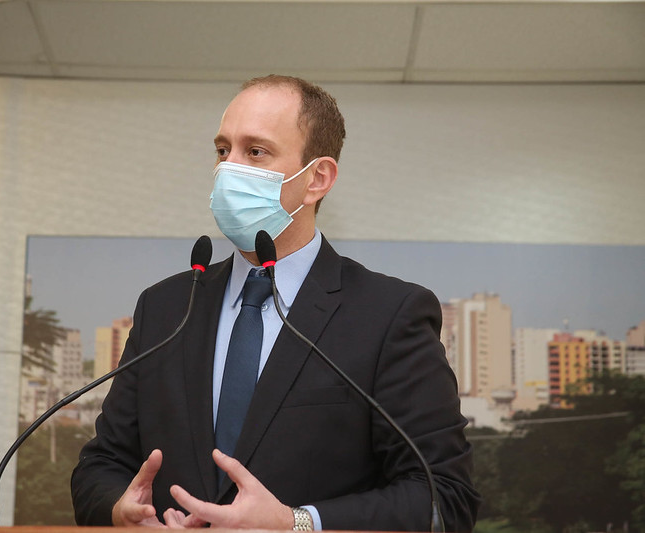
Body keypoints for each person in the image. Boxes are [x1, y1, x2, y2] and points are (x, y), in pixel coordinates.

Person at [71, 75, 480, 531]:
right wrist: (122, 511)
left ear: (317, 179)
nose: (228, 169)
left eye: (255, 152)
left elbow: (444, 498)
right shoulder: (165, 308)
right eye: (222, 150)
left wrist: (295, 523)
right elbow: (101, 466)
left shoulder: (389, 314)